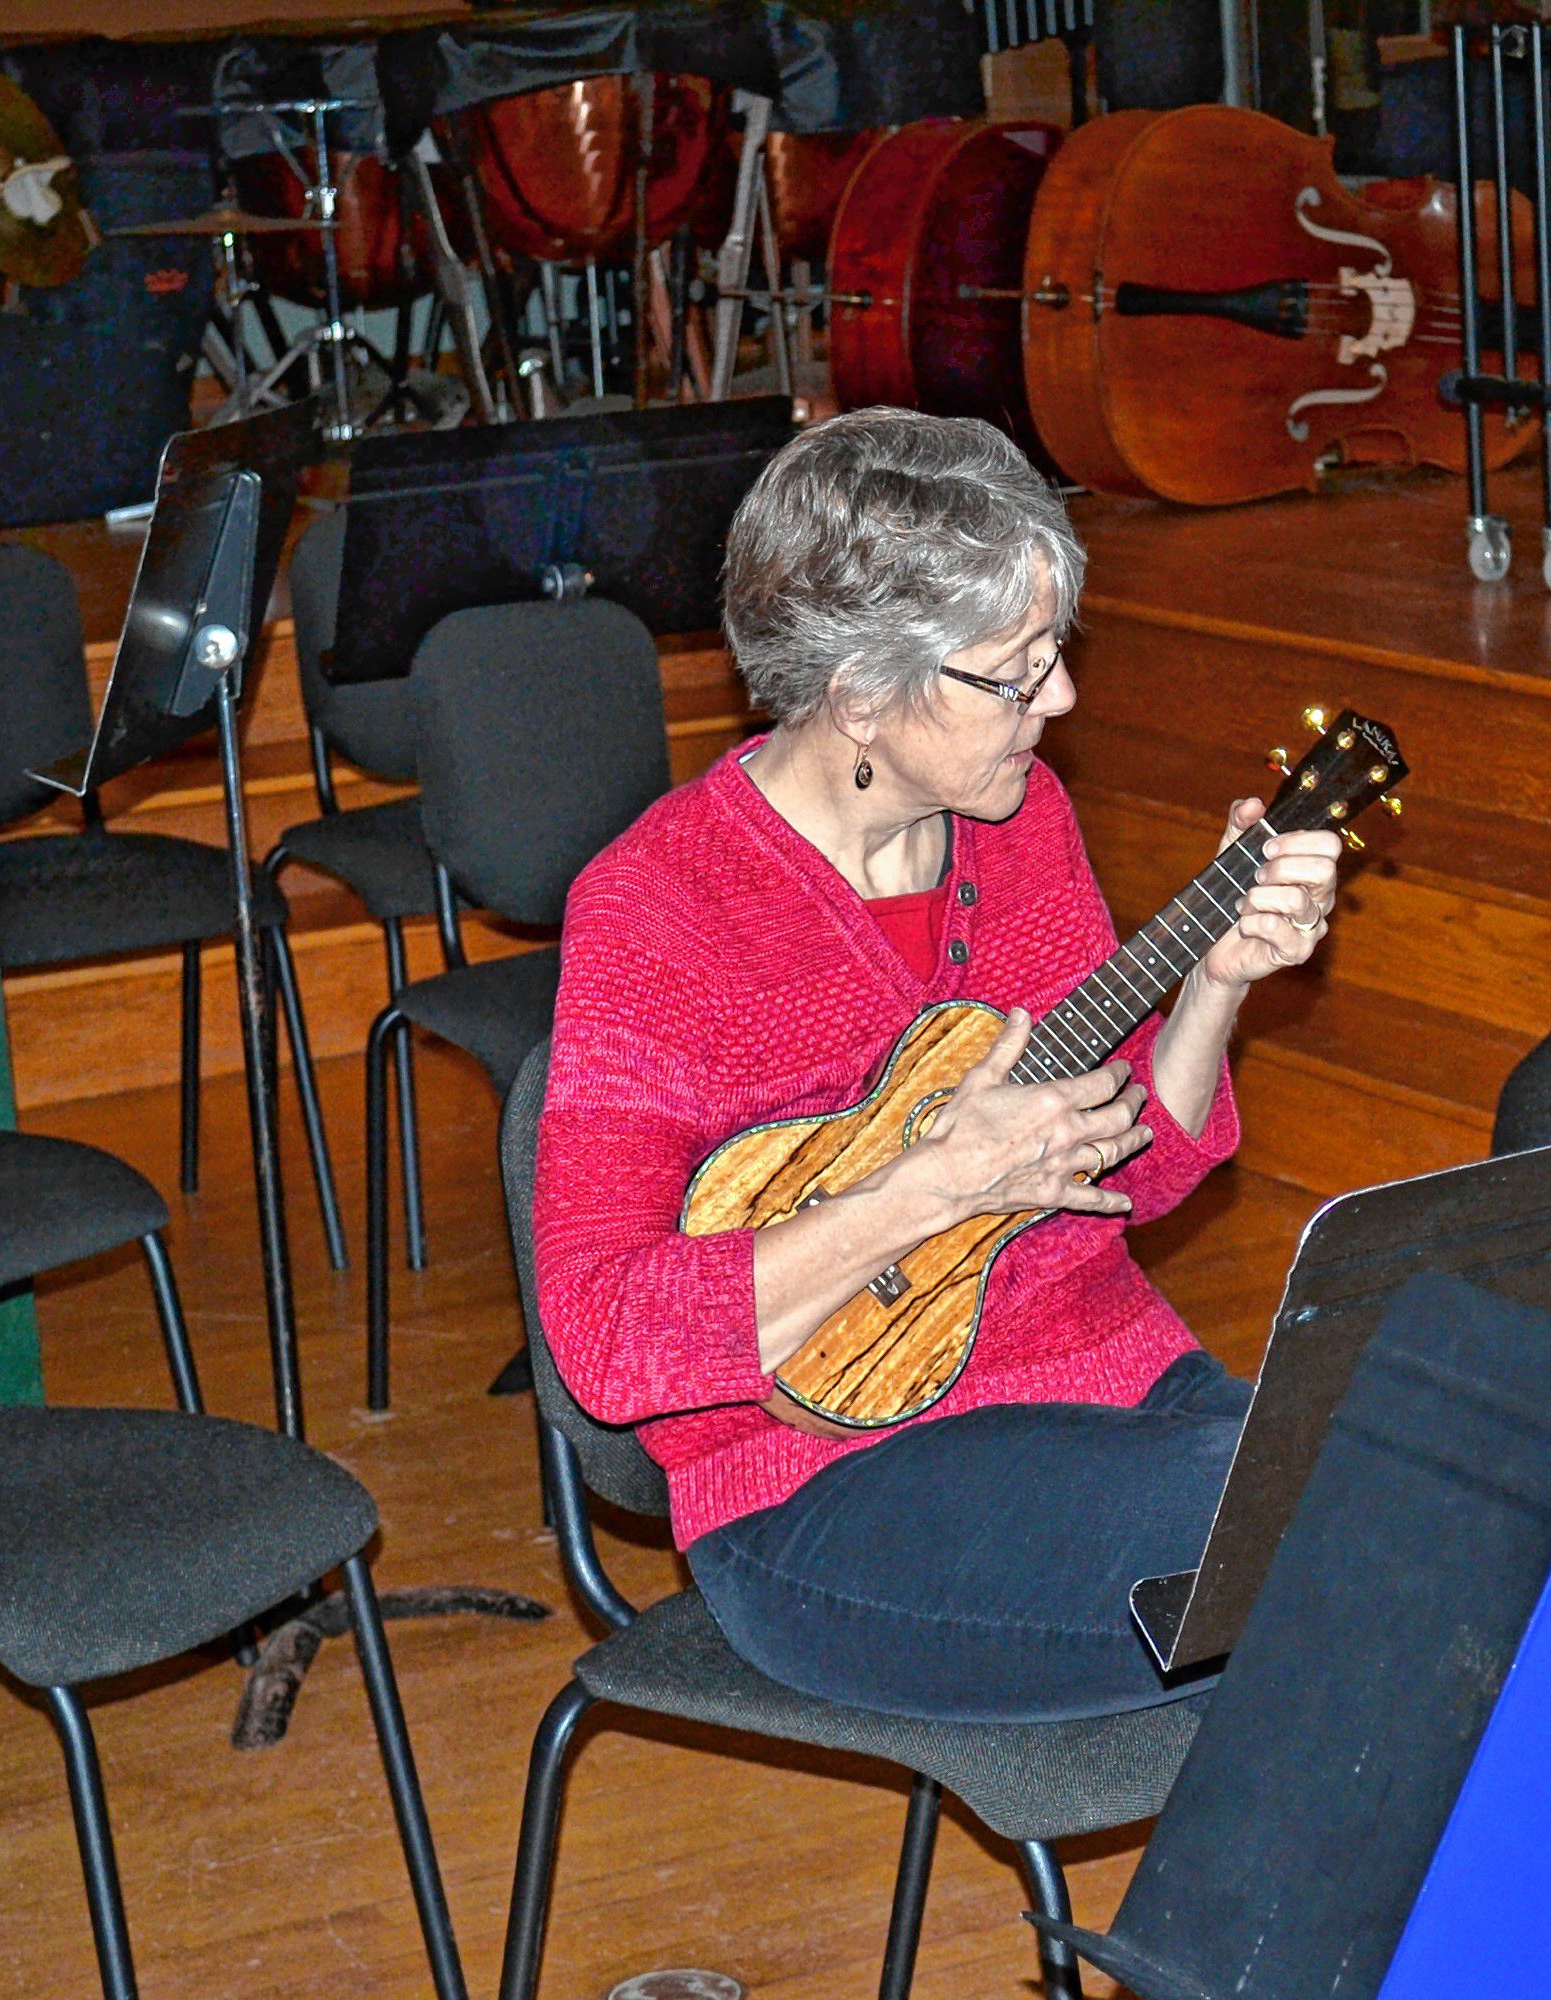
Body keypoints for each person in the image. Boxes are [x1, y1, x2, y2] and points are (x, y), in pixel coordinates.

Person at [534, 409, 1342, 1722]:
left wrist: (1217, 986)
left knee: (1411, 1493)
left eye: (1056, 654)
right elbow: (610, 1343)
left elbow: (1129, 1186)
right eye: (1013, 674)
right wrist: (929, 1189)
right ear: (859, 691)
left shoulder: (1021, 826)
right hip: (822, 1490)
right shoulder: (661, 907)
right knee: (1328, 1561)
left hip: (1104, 1383)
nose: (1060, 701)